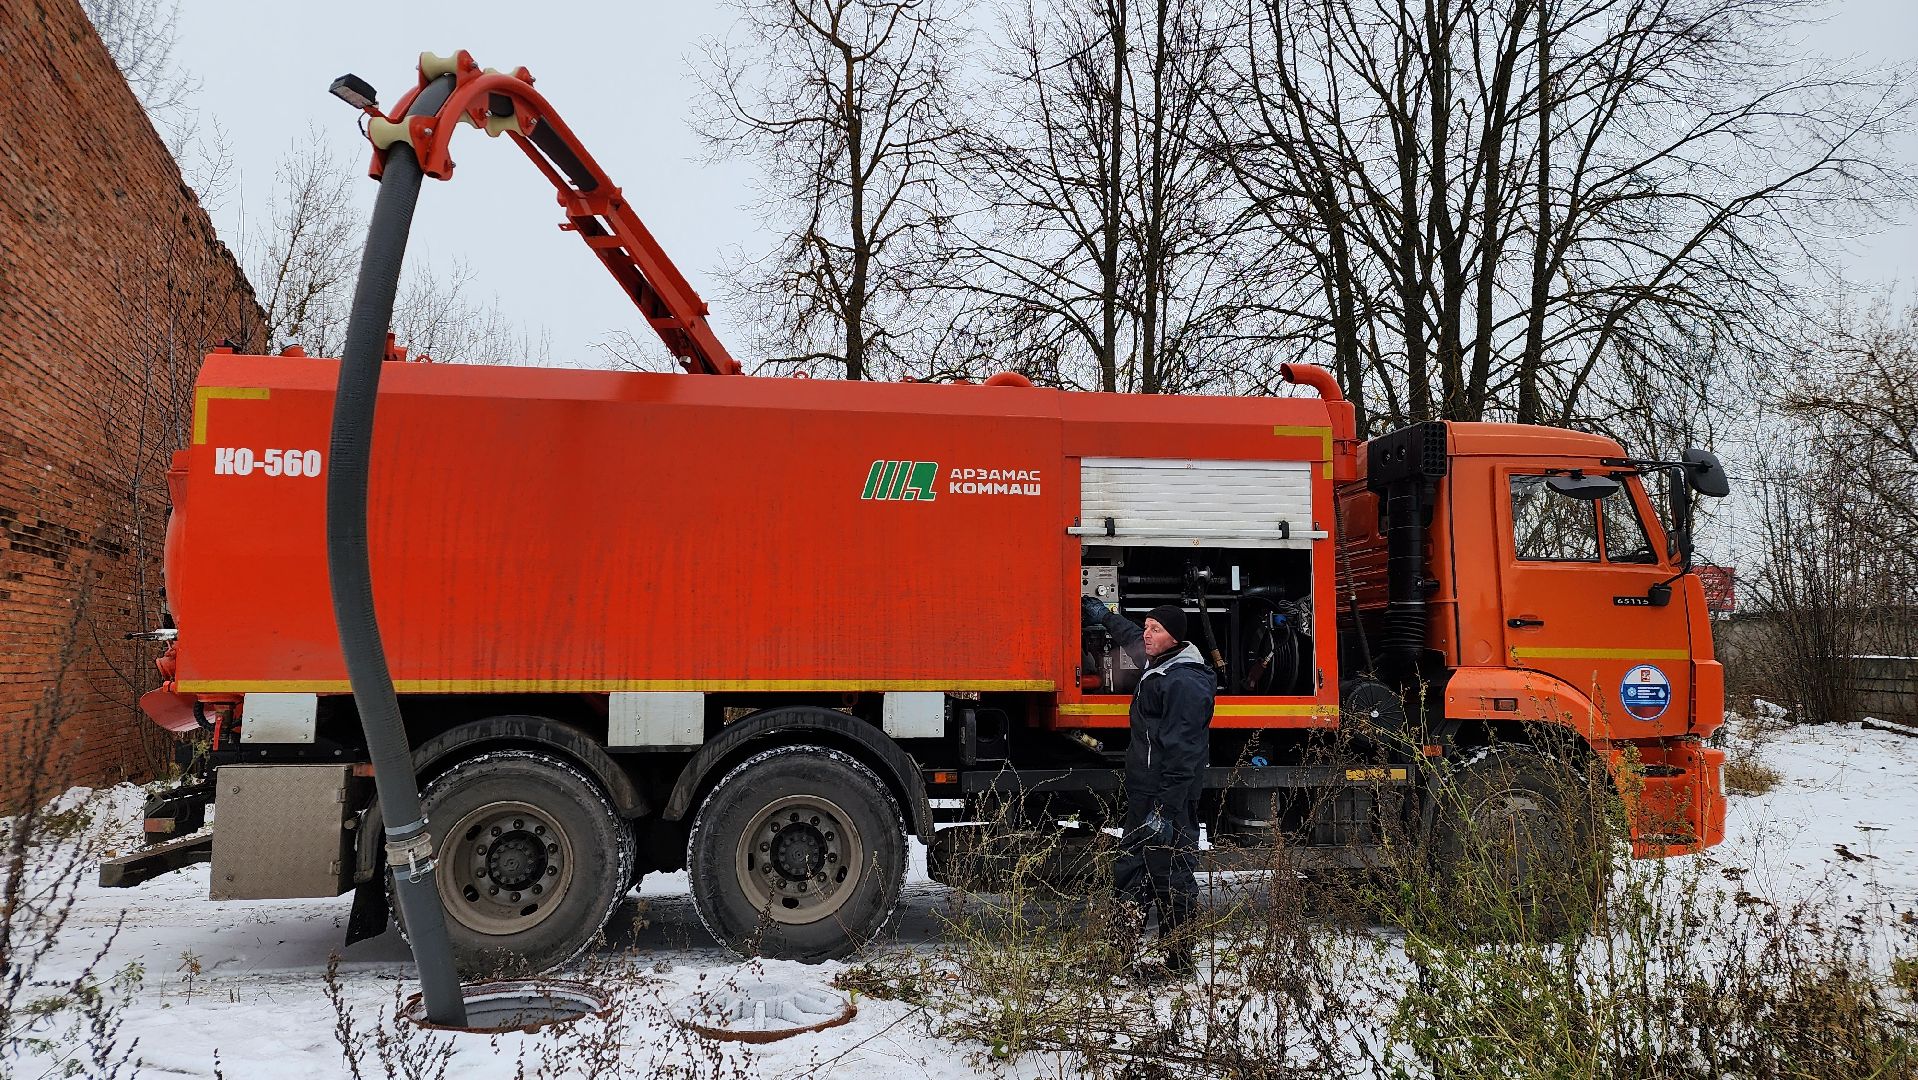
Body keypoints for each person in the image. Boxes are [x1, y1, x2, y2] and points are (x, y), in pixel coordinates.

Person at [1080, 595, 1216, 978]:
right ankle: (1118, 956)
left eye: (1156, 629)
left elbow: (1184, 752)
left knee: (1172, 872)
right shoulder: (1162, 664)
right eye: (1147, 627)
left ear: (1174, 637)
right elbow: (1133, 639)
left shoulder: (1184, 682)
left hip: (1166, 797)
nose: (1147, 635)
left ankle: (1178, 962)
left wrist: (1166, 809)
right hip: (1148, 793)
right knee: (1131, 870)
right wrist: (1106, 617)